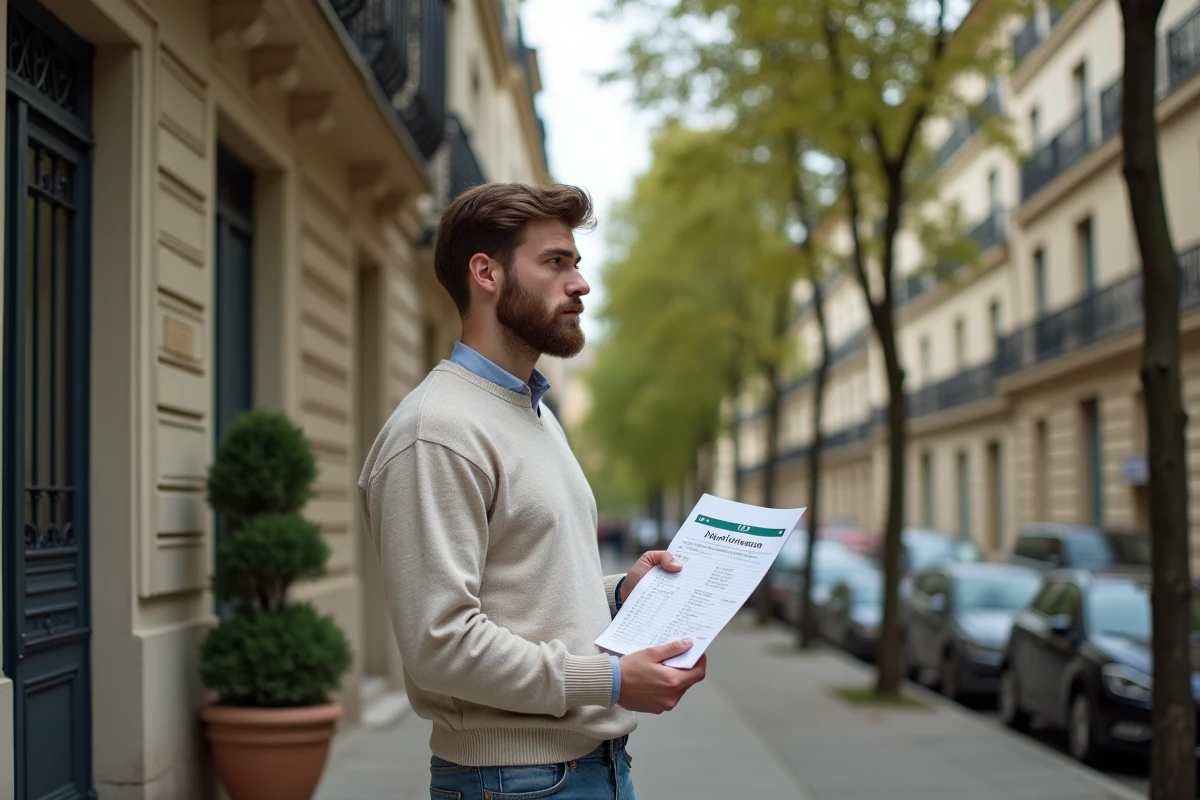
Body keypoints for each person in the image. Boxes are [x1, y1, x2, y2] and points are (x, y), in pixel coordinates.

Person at [357, 183, 707, 800]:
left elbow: (519, 584)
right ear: (485, 273)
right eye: (555, 262)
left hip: (596, 767)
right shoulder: (435, 431)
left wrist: (620, 592)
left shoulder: (538, 416)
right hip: (514, 782)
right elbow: (441, 644)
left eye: (576, 263)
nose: (580, 284)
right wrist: (612, 680)